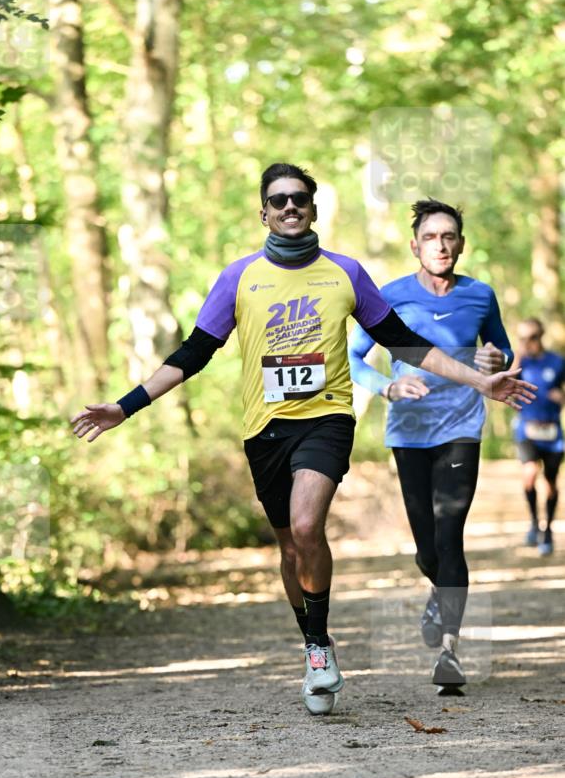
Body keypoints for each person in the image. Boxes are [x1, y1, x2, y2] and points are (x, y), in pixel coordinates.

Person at [72, 166, 535, 715]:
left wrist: (483, 381)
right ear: (263, 212)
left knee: (309, 525)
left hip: (327, 418)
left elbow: (404, 343)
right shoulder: (239, 278)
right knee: (289, 546)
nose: (290, 207)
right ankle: (316, 642)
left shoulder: (346, 274)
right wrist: (124, 407)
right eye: (278, 200)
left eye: (300, 199)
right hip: (264, 428)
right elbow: (194, 352)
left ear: (313, 209)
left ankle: (319, 652)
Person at [349, 198, 516, 695]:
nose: (441, 245)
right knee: (426, 547)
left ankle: (449, 650)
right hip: (408, 430)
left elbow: (500, 347)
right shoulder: (391, 295)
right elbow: (355, 357)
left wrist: (494, 357)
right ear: (415, 245)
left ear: (461, 244)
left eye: (449, 237)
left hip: (461, 425)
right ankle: (435, 593)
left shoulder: (480, 295)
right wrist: (387, 386)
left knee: (450, 535)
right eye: (431, 237)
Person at [513, 318, 564, 555]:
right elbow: (507, 384)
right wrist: (518, 356)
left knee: (551, 484)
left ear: (541, 335)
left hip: (552, 432)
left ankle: (548, 531)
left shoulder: (557, 361)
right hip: (527, 429)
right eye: (523, 338)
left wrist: (561, 398)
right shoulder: (519, 363)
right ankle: (534, 522)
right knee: (530, 474)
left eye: (531, 337)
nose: (528, 342)